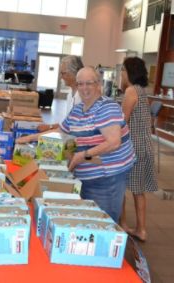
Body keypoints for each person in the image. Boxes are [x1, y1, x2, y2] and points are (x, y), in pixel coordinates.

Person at [61, 66, 135, 222]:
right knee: (89, 218)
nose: (84, 88)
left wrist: (84, 155)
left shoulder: (107, 107)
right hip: (86, 174)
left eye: (89, 83)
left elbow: (114, 142)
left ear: (98, 84)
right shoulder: (79, 109)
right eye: (80, 84)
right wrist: (30, 138)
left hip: (108, 175)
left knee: (102, 220)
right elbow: (63, 130)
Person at [119, 57, 158, 242]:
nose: (121, 74)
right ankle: (141, 229)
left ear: (129, 72)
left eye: (123, 70)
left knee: (119, 185)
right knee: (138, 190)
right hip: (144, 146)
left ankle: (123, 224)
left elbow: (122, 121)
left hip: (133, 148)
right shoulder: (142, 90)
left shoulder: (130, 91)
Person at [15, 55, 84, 143]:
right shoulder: (70, 93)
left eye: (63, 73)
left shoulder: (82, 97)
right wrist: (49, 127)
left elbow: (67, 130)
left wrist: (31, 138)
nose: (61, 77)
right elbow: (66, 124)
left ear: (75, 73)